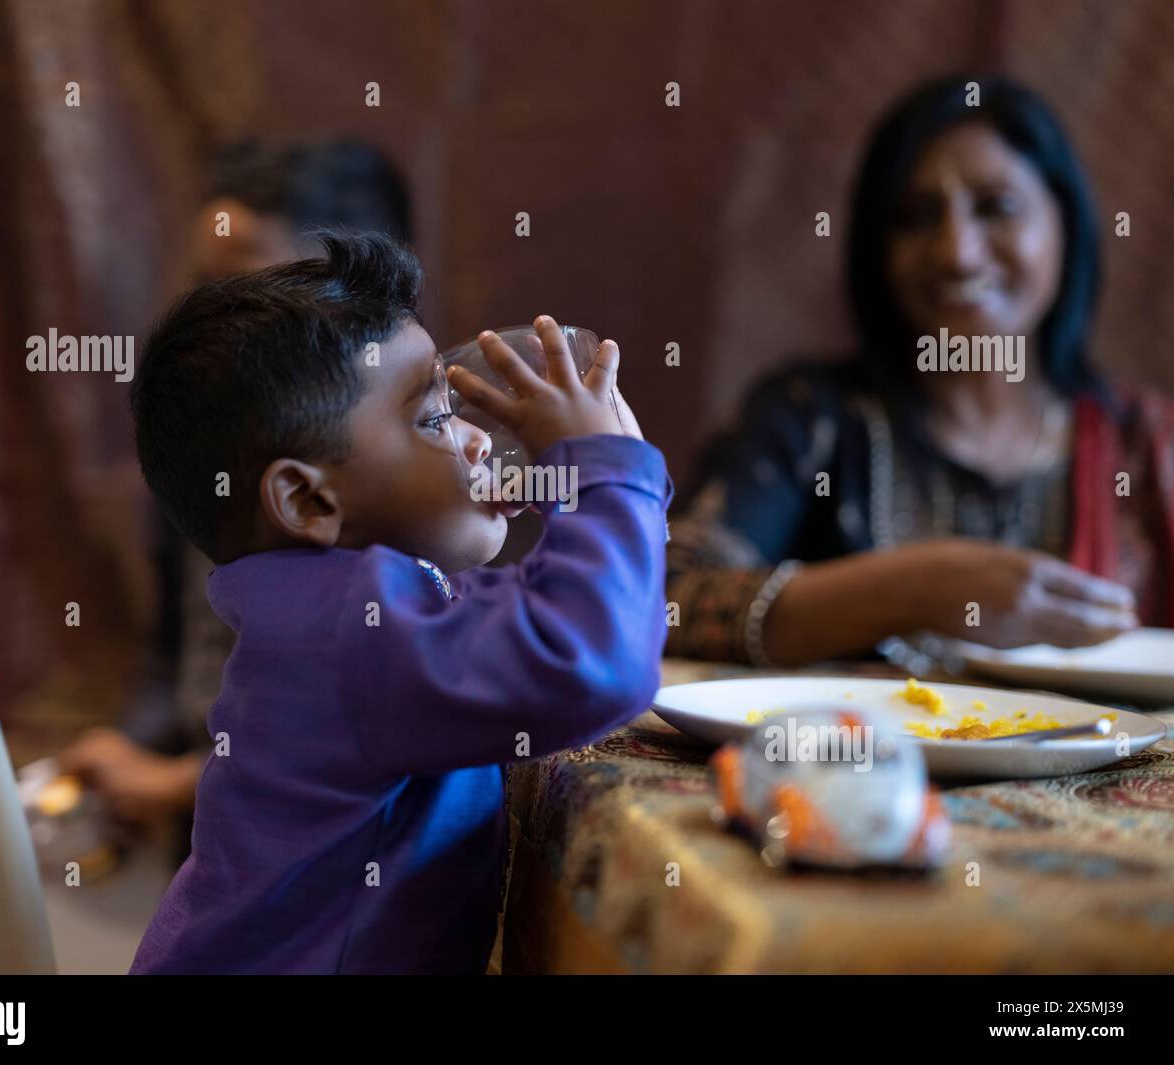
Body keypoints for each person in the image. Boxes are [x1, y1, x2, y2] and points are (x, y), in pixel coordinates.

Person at [127, 231, 668, 973]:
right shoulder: (346, 628)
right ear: (306, 498)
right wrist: (606, 474)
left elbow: (521, 626)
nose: (479, 441)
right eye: (435, 418)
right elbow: (591, 664)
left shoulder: (325, 610)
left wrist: (597, 497)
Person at [666, 75, 1173, 670]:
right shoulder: (810, 417)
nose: (956, 251)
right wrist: (913, 589)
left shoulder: (1145, 440)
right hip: (853, 760)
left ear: (1066, 225)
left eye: (996, 208)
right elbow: (665, 603)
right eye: (915, 217)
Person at [60, 140, 413, 832]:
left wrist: (175, 784)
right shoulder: (204, 449)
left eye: (250, 292)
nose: (215, 326)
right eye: (205, 287)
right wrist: (129, 752)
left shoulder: (400, 501)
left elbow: (340, 733)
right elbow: (176, 658)